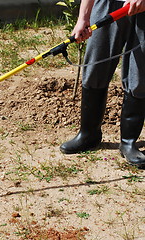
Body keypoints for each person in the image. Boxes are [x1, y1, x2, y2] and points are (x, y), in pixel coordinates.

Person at [60, 0, 145, 168]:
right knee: (94, 68)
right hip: (107, 3)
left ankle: (128, 142)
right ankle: (88, 135)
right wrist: (83, 18)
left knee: (139, 75)